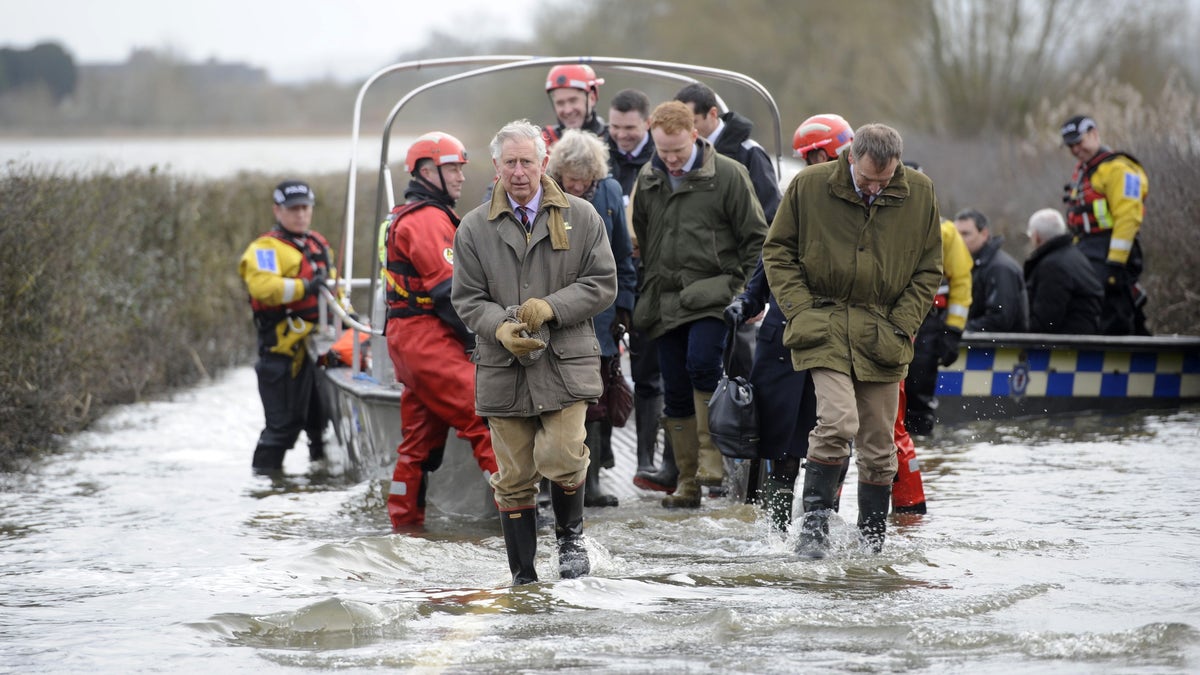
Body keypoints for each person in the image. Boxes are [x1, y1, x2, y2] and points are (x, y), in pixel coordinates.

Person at [763, 123, 942, 556]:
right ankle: (815, 529)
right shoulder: (809, 185)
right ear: (849, 157)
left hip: (884, 331)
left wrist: (902, 322)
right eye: (866, 180)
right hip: (822, 324)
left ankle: (872, 541)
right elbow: (777, 252)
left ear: (897, 165)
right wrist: (802, 309)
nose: (875, 188)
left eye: (884, 180)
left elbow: (928, 268)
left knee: (881, 447)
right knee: (838, 423)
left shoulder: (919, 192)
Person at [452, 120, 617, 585]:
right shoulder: (472, 228)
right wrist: (500, 328)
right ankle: (523, 578)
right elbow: (465, 298)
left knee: (564, 455)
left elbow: (603, 283)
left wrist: (552, 307)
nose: (519, 172)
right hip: (503, 367)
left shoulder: (582, 216)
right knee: (514, 475)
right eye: (511, 162)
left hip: (566, 362)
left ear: (545, 163)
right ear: (496, 167)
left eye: (528, 161)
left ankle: (569, 542)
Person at [630, 101, 767, 509]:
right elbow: (643, 235)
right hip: (665, 297)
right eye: (662, 150)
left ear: (695, 135)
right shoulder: (650, 175)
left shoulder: (728, 174)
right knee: (673, 388)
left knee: (702, 363)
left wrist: (746, 291)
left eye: (677, 150)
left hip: (715, 292)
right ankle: (686, 482)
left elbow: (757, 239)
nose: (670, 159)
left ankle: (713, 462)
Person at [724, 113, 852, 530]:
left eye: (816, 155)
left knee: (832, 432)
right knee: (779, 438)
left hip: (836, 339)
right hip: (784, 337)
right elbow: (770, 258)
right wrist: (748, 300)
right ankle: (776, 528)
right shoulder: (794, 201)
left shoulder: (862, 207)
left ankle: (820, 521)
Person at [379, 132, 500, 531]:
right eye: (453, 169)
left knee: (418, 444)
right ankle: (520, 518)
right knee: (485, 414)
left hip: (413, 341)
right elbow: (450, 293)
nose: (461, 177)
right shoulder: (428, 219)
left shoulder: (412, 215)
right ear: (427, 171)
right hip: (426, 337)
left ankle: (405, 529)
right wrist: (482, 340)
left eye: (462, 169)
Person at [675, 81, 782, 489]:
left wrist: (753, 289)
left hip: (742, 284)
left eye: (693, 120)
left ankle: (747, 466)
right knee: (699, 372)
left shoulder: (749, 155)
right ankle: (707, 466)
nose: (689, 129)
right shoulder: (685, 157)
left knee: (741, 372)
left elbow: (770, 223)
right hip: (700, 288)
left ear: (711, 116)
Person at [545, 129, 638, 507]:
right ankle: (552, 480)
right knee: (555, 396)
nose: (580, 186)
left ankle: (594, 479)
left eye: (586, 180)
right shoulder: (543, 194)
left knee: (599, 396)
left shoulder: (611, 192)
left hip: (601, 313)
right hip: (554, 309)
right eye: (572, 180)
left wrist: (625, 306)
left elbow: (622, 255)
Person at [238, 180, 336, 475]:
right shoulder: (266, 248)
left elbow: (334, 293)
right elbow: (263, 287)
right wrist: (305, 287)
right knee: (281, 428)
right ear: (277, 211)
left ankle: (319, 476)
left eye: (305, 208)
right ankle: (265, 485)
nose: (300, 214)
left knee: (319, 423)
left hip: (319, 348)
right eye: (293, 209)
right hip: (283, 352)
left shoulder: (318, 243)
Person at [1061, 114, 1150, 335]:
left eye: (1078, 142)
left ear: (1094, 134)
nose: (1075, 150)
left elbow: (1128, 217)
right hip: (1087, 248)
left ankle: (1118, 360)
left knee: (1113, 311)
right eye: (1070, 145)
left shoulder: (1119, 169)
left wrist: (1115, 262)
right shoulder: (1086, 170)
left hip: (1110, 251)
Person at [903, 182, 973, 437]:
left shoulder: (946, 232)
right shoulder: (885, 225)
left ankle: (921, 454)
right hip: (889, 320)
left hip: (928, 323)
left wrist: (953, 330)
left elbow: (961, 281)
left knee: (918, 390)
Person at [1025, 208, 1104, 334]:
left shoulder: (1052, 267)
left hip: (1065, 349)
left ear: (1036, 237)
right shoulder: (1076, 257)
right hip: (1084, 342)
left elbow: (1045, 322)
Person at [954, 208, 1029, 333]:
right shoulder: (971, 265)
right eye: (956, 235)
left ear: (984, 234)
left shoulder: (999, 268)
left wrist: (957, 330)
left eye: (965, 234)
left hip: (999, 349)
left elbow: (1000, 319)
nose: (959, 240)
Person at [542, 64, 607, 147]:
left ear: (592, 98)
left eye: (573, 101)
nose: (567, 110)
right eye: (560, 103)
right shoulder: (544, 142)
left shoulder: (614, 141)